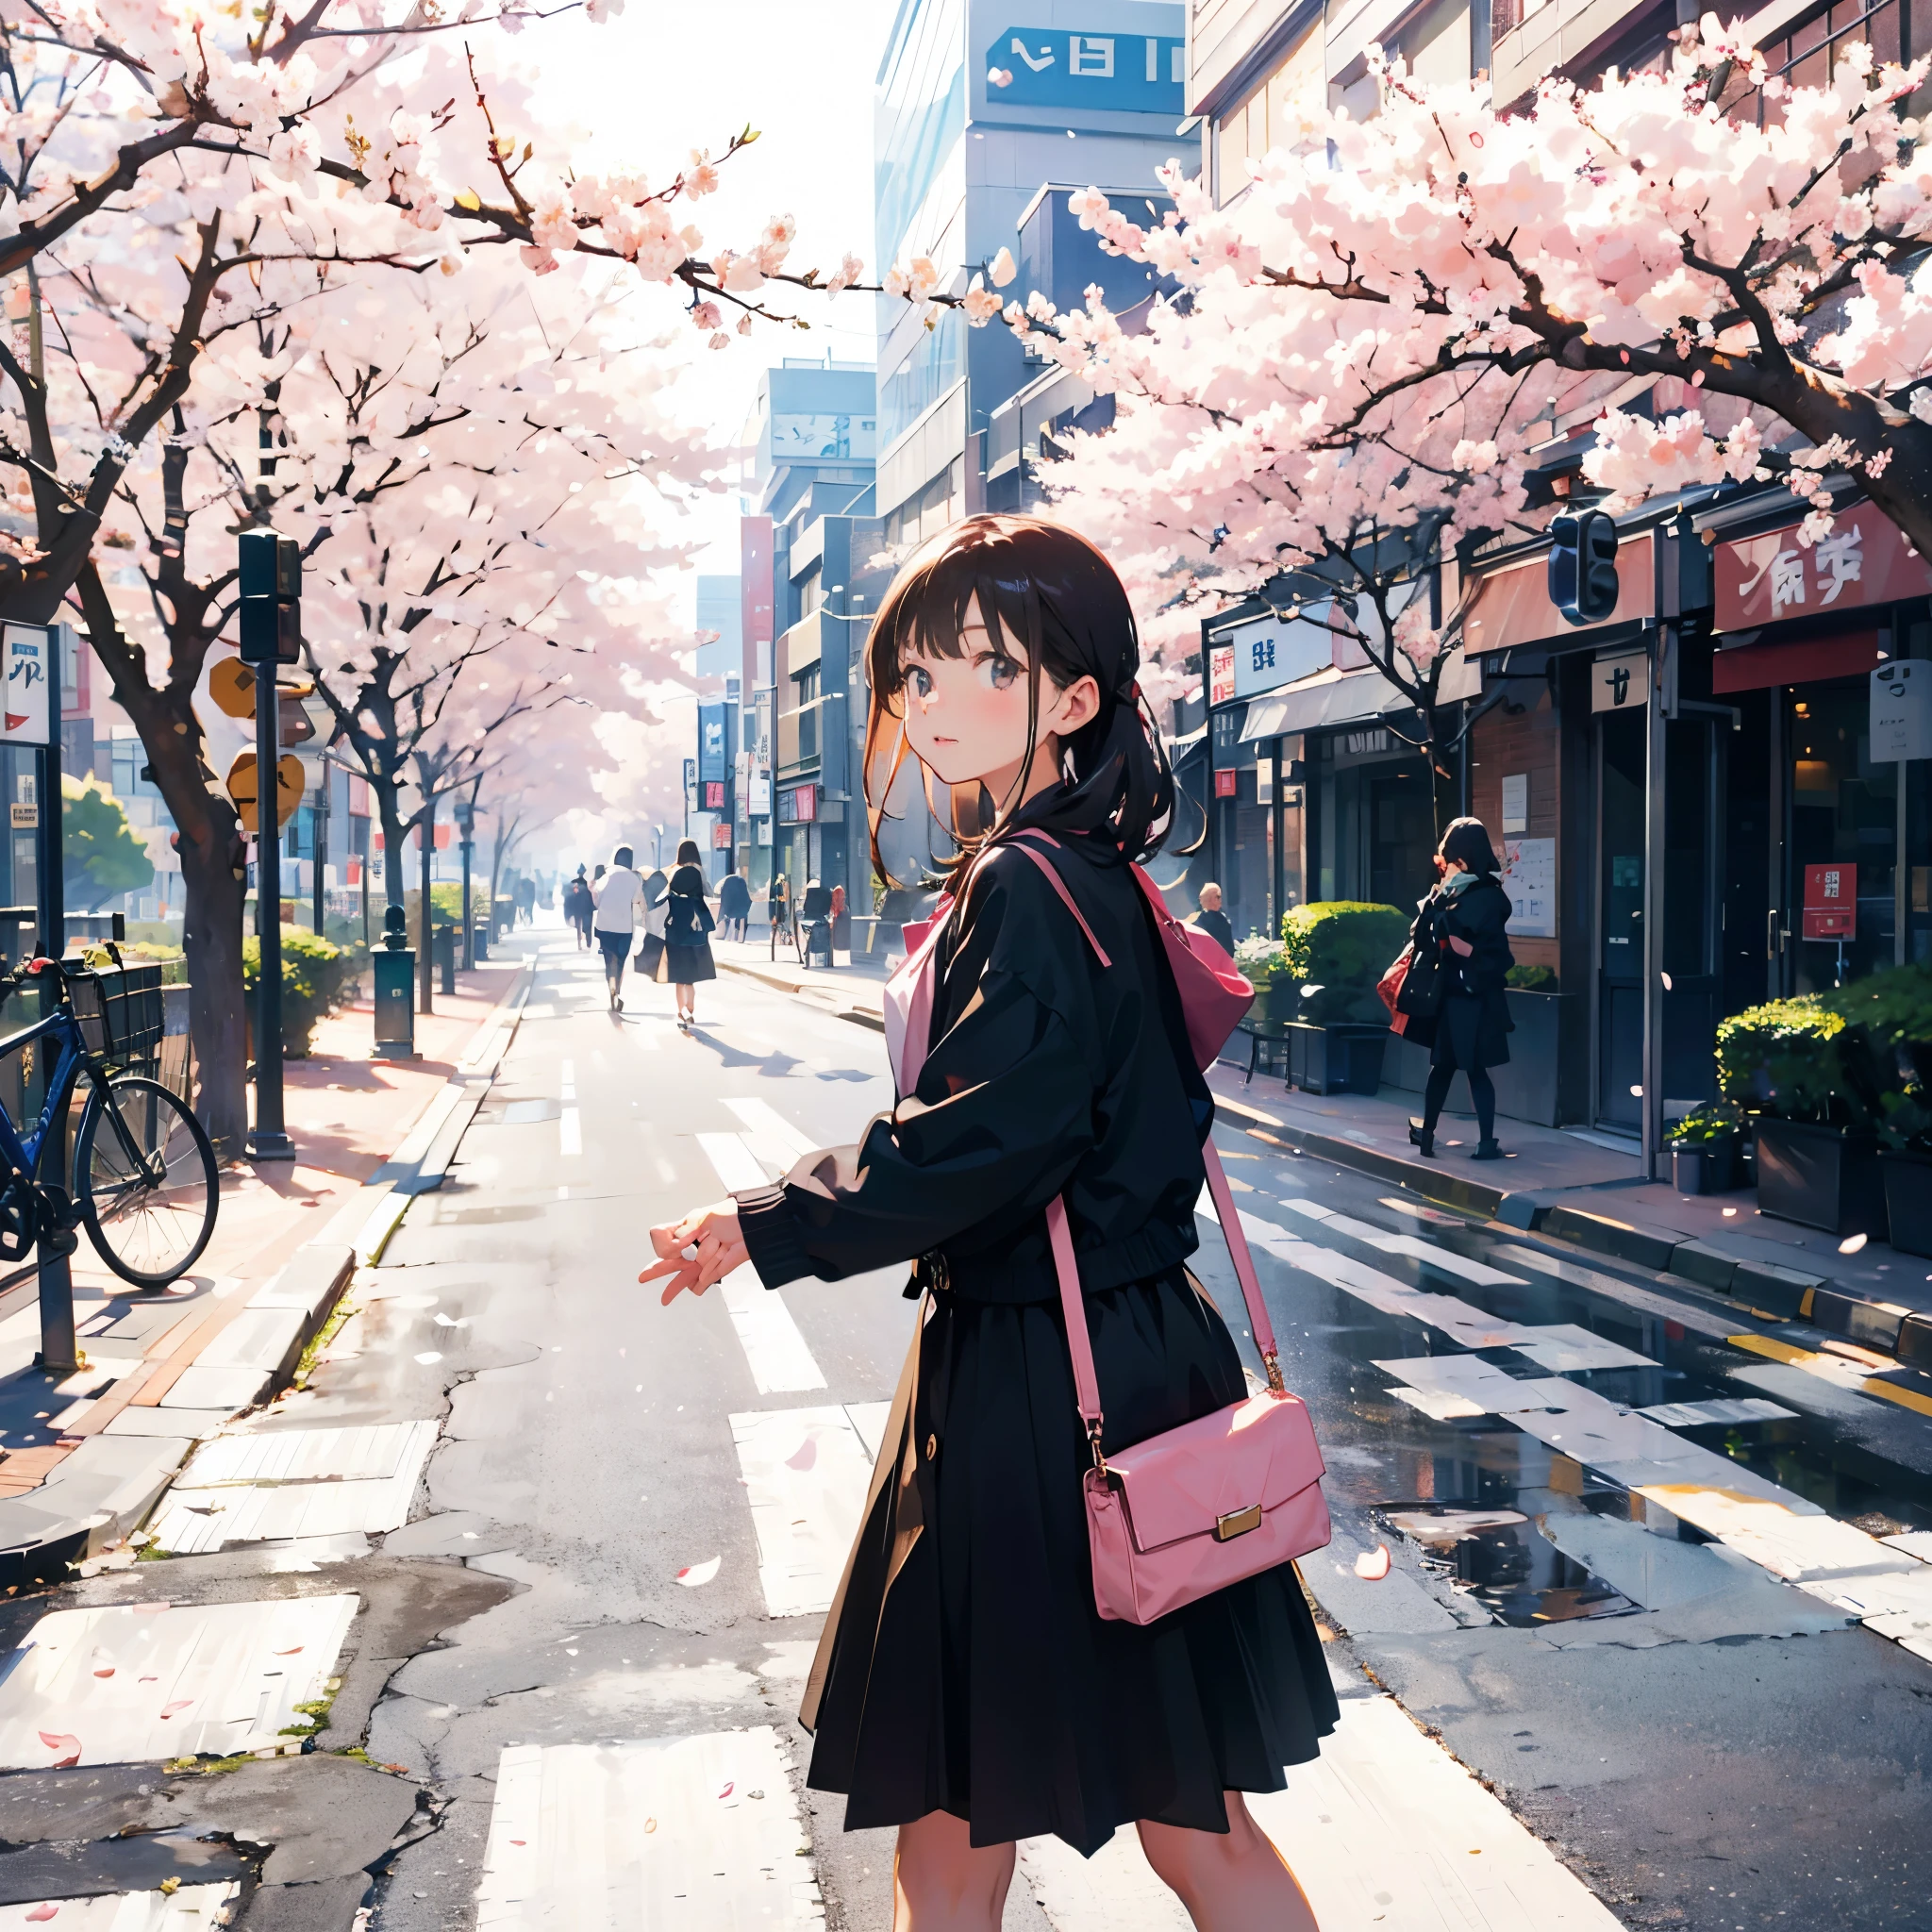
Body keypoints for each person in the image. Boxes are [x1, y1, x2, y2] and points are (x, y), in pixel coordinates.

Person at [642, 514, 1333, 1932]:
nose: (935, 699)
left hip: (1037, 1384)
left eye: (983, 667)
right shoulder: (1103, 879)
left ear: (1075, 700)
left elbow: (981, 1147)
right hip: (1132, 1355)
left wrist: (768, 1222)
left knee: (975, 1802)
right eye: (918, 670)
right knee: (1176, 1814)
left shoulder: (1024, 882)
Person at [1408, 816, 1514, 1160]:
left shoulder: (1480, 897)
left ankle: (1430, 1135)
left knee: (1449, 1068)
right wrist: (1436, 903)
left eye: (1452, 859)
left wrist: (1441, 909)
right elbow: (1424, 938)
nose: (1447, 866)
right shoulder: (1468, 893)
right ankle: (1481, 1142)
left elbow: (1475, 945)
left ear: (1465, 858)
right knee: (1472, 1069)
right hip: (1467, 997)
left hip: (1467, 997)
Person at [662, 840, 717, 1031]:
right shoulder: (699, 871)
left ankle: (681, 1012)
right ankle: (691, 1008)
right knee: (690, 976)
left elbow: (665, 897)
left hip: (677, 927)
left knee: (679, 975)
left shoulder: (674, 872)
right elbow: (708, 892)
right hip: (696, 929)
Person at [591, 844, 645, 1010]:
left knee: (610, 961)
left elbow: (596, 898)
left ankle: (611, 989)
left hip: (605, 926)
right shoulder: (634, 878)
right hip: (624, 928)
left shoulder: (606, 876)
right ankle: (617, 991)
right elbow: (637, 900)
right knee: (620, 961)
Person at [1191, 880, 1235, 956]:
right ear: (1212, 899)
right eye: (1218, 897)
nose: (1221, 900)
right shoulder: (1220, 921)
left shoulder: (1196, 919)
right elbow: (1229, 951)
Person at [719, 862, 752, 943]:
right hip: (740, 908)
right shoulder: (743, 883)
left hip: (731, 908)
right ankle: (739, 933)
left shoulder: (729, 880)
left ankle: (733, 932)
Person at [564, 867, 593, 948]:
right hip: (584, 908)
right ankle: (584, 943)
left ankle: (585, 943)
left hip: (582, 908)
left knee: (584, 927)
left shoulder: (579, 883)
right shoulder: (586, 883)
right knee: (585, 927)